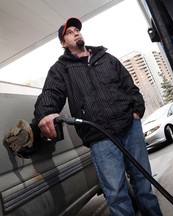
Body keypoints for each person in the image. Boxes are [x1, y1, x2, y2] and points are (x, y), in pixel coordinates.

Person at [34, 17, 162, 216]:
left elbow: (129, 86)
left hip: (130, 128)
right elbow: (51, 93)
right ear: (62, 43)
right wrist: (46, 112)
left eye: (77, 30)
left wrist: (136, 111)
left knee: (144, 185)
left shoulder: (106, 58)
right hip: (100, 138)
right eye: (69, 32)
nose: (76, 33)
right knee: (116, 195)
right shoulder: (61, 69)